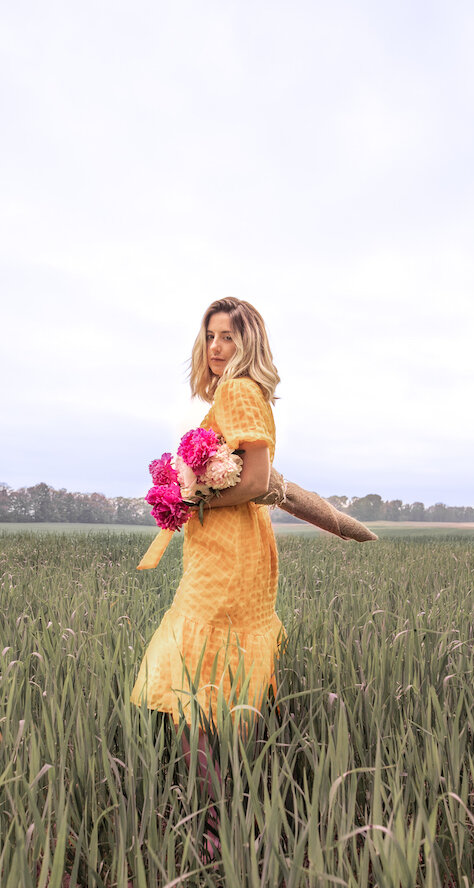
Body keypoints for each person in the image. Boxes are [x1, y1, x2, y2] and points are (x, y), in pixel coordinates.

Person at [130, 297, 285, 846]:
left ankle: (215, 827)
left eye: (229, 337)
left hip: (228, 552)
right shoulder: (235, 391)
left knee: (193, 681)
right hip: (226, 547)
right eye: (211, 336)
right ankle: (236, 807)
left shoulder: (239, 390)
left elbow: (259, 480)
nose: (217, 348)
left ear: (249, 343)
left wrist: (191, 498)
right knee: (217, 682)